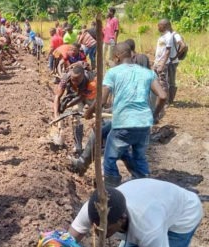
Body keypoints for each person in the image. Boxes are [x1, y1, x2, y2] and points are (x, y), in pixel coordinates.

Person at [84, 43, 167, 187]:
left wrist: (89, 112)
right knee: (140, 158)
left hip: (123, 123)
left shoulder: (113, 72)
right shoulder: (147, 73)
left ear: (116, 57)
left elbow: (102, 100)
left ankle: (112, 192)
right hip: (144, 123)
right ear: (131, 55)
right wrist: (154, 115)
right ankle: (142, 188)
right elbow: (163, 96)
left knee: (110, 159)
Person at [69, 179, 203, 247]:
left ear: (121, 219)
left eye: (105, 229)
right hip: (155, 202)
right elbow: (68, 239)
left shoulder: (148, 229)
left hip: (184, 215)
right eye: (95, 227)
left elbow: (148, 234)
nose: (98, 232)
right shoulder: (95, 208)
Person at [54, 64, 97, 154]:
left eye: (77, 80)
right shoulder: (66, 78)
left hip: (91, 96)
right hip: (77, 95)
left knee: (99, 116)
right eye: (72, 79)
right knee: (75, 114)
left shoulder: (90, 80)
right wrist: (56, 116)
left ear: (82, 76)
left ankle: (100, 142)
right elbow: (57, 96)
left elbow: (82, 97)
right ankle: (78, 145)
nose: (74, 81)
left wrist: (68, 105)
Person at [168, 21, 187, 104]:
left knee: (171, 81)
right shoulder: (169, 35)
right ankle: (168, 99)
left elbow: (183, 45)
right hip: (169, 61)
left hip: (173, 61)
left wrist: (175, 56)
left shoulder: (175, 35)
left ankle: (170, 100)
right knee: (167, 80)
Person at [153, 19, 172, 99]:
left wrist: (162, 64)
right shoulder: (162, 35)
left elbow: (168, 51)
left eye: (159, 25)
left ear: (164, 26)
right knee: (156, 81)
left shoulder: (168, 36)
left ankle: (165, 101)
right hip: (157, 61)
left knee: (163, 82)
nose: (158, 27)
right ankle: (158, 98)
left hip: (162, 62)